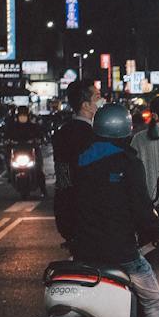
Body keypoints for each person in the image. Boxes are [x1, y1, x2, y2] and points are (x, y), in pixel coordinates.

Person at [66, 103, 159, 317]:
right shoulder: (128, 162)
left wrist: (73, 236)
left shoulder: (77, 161)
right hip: (122, 254)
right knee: (156, 302)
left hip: (84, 253)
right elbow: (141, 209)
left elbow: (64, 202)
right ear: (125, 132)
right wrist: (155, 231)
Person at [51, 80, 100, 231]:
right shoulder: (93, 135)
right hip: (90, 211)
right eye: (97, 98)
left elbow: (62, 172)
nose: (101, 102)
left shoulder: (62, 133)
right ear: (85, 105)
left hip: (65, 207)